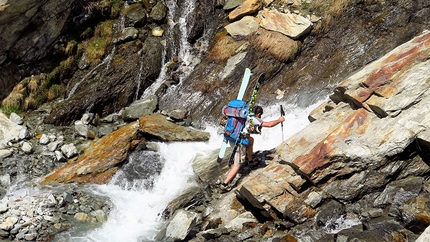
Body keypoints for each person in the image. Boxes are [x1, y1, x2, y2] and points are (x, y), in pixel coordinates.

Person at [220, 105, 285, 192]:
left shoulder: (243, 115)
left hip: (232, 137)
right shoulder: (254, 119)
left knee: (250, 139)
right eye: (260, 115)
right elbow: (269, 125)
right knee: (237, 165)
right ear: (258, 114)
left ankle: (250, 162)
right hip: (239, 142)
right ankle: (224, 185)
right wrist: (279, 120)